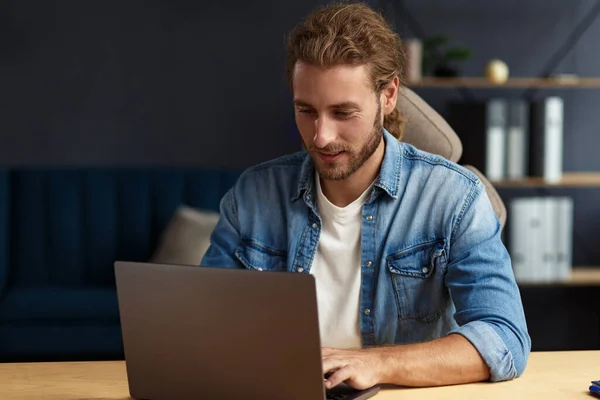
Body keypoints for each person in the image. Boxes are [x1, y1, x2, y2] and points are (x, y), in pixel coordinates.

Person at [201, 1, 530, 391]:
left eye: (343, 113)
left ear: (388, 95)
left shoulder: (454, 197)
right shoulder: (253, 195)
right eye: (306, 110)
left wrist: (377, 363)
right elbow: (206, 327)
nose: (320, 136)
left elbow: (505, 338)